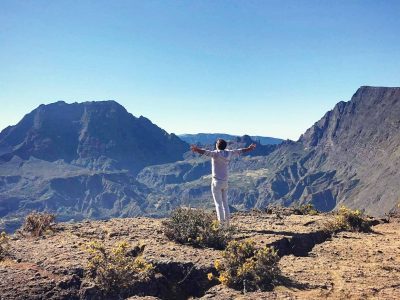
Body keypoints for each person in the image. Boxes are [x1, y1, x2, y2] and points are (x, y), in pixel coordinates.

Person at [190, 139, 256, 225]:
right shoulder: (229, 153)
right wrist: (249, 148)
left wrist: (196, 149)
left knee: (218, 204)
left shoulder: (215, 154)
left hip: (216, 182)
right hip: (225, 182)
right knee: (225, 203)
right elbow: (239, 151)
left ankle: (221, 224)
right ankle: (228, 224)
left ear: (217, 146)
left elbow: (205, 152)